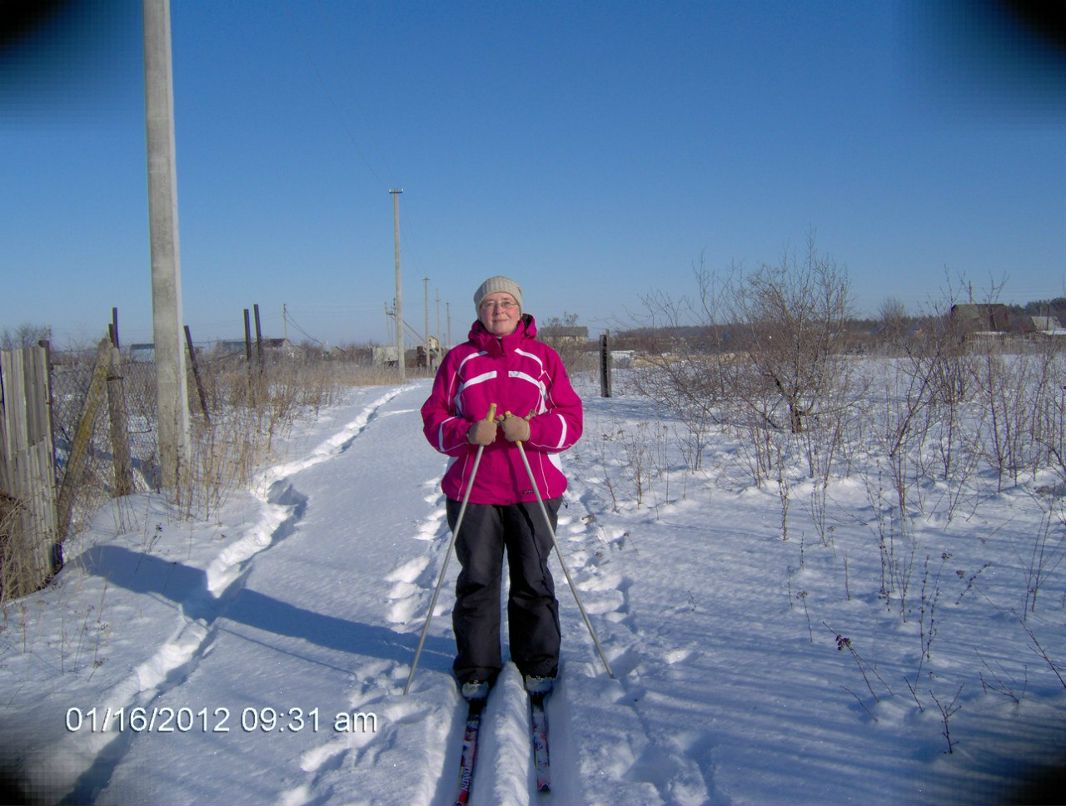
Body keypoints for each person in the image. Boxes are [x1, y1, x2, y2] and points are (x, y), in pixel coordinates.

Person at [420, 275, 583, 700]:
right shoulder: (459, 360)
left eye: (506, 302)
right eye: (490, 303)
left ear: (520, 308)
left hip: (534, 486)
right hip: (473, 489)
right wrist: (466, 432)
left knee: (533, 577)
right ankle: (477, 667)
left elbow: (571, 419)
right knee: (477, 579)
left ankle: (537, 661)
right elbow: (434, 419)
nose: (499, 310)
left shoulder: (543, 357)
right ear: (478, 311)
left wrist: (531, 428)